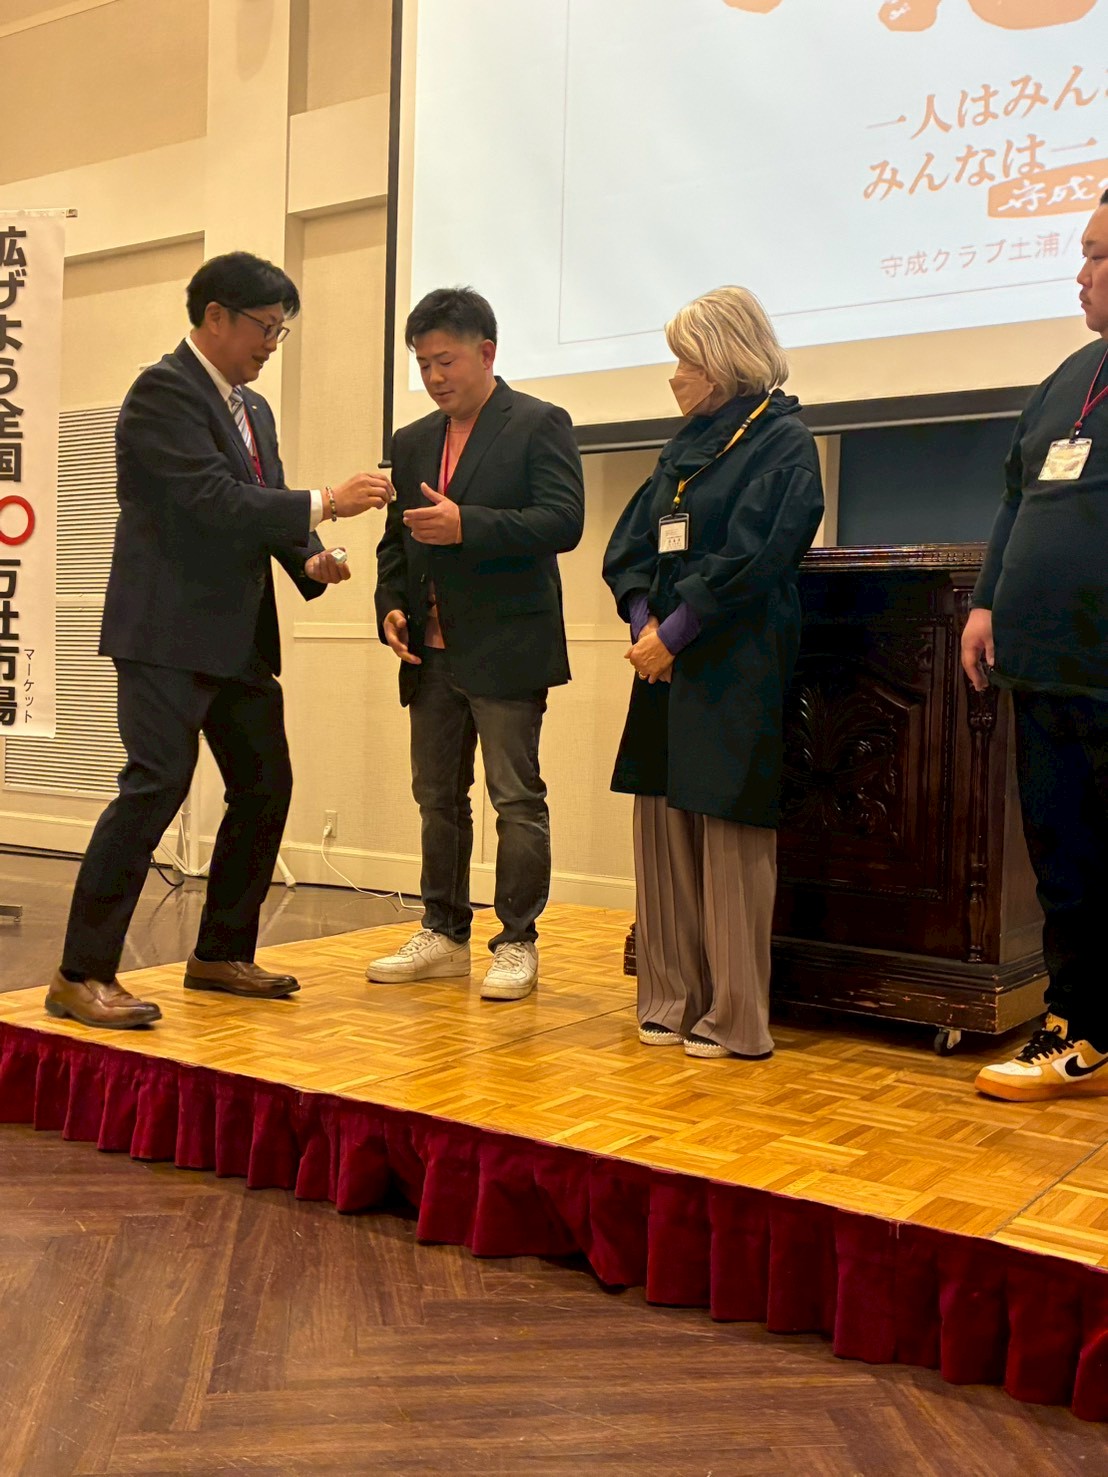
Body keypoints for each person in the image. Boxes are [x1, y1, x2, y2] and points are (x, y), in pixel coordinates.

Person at [46, 251, 391, 1029]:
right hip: (166, 632)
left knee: (266, 784)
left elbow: (260, 502)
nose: (271, 344)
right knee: (155, 788)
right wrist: (329, 500)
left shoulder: (253, 409)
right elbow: (211, 500)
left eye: (280, 330)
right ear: (215, 317)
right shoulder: (162, 392)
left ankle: (221, 952)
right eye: (264, 327)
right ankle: (80, 973)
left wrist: (310, 558)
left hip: (237, 637)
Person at [602, 286, 824, 1059]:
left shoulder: (783, 443)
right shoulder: (682, 446)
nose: (674, 376)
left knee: (728, 830)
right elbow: (633, 544)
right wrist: (644, 625)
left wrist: (677, 632)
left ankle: (734, 1015)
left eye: (686, 361)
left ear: (728, 360)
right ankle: (670, 997)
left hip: (734, 656)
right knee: (661, 823)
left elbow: (758, 555)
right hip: (661, 661)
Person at [369, 287, 584, 1000]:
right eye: (423, 364)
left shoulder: (538, 423)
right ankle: (443, 931)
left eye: (446, 360)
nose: (434, 377)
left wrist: (470, 525)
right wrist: (390, 606)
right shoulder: (411, 441)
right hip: (428, 652)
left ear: (486, 352)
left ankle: (517, 940)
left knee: (515, 799)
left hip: (506, 646)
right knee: (437, 797)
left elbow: (563, 521)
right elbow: (395, 543)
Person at [965, 189, 1108, 1102]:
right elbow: (1019, 496)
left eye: (1097, 255)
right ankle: (1077, 1025)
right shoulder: (1069, 376)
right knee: (1064, 859)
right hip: (1044, 663)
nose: (1080, 274)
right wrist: (986, 601)